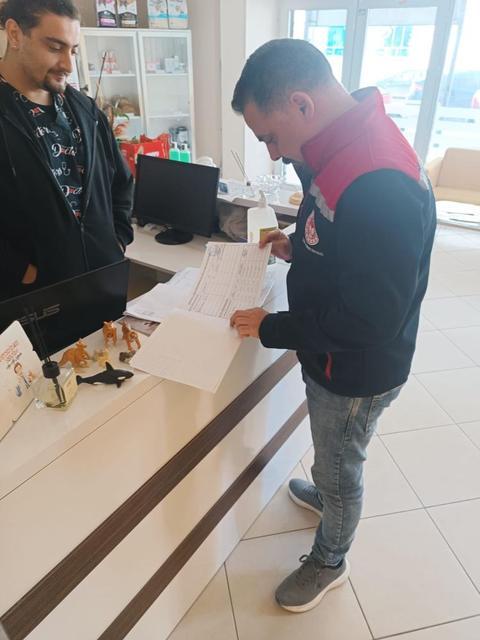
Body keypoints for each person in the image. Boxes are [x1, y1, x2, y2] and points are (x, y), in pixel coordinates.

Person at [230, 39, 436, 614]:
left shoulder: (378, 178)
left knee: (342, 463)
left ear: (301, 104)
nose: (273, 154)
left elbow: (370, 317)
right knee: (331, 454)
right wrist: (298, 246)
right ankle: (326, 492)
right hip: (333, 354)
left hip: (355, 368)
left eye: (271, 137)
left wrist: (272, 328)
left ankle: (330, 558)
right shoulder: (338, 144)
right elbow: (345, 240)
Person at [0, 0, 134, 302]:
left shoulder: (85, 110)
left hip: (102, 284)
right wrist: (20, 270)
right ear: (15, 34)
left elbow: (120, 182)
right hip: (30, 298)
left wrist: (116, 240)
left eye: (72, 50)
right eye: (54, 47)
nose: (68, 65)